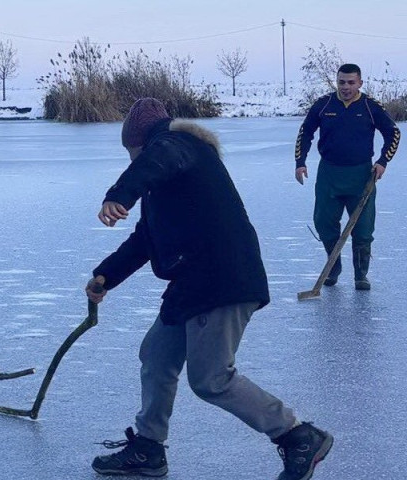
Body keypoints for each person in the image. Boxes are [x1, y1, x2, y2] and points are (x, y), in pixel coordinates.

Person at [87, 98, 332, 480]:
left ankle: (297, 435)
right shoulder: (171, 176)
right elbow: (145, 239)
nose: (133, 160)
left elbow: (156, 159)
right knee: (156, 356)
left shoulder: (178, 147)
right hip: (192, 279)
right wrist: (106, 275)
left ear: (141, 141)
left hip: (221, 277)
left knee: (212, 378)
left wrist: (120, 194)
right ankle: (150, 448)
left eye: (132, 152)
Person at [295, 63, 400, 290]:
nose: (346, 87)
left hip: (362, 176)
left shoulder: (370, 107)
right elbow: (305, 132)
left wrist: (383, 161)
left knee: (363, 229)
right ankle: (333, 268)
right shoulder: (324, 105)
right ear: (337, 82)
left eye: (351, 82)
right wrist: (300, 162)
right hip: (329, 175)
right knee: (324, 223)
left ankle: (360, 275)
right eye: (342, 82)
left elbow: (394, 133)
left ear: (360, 83)